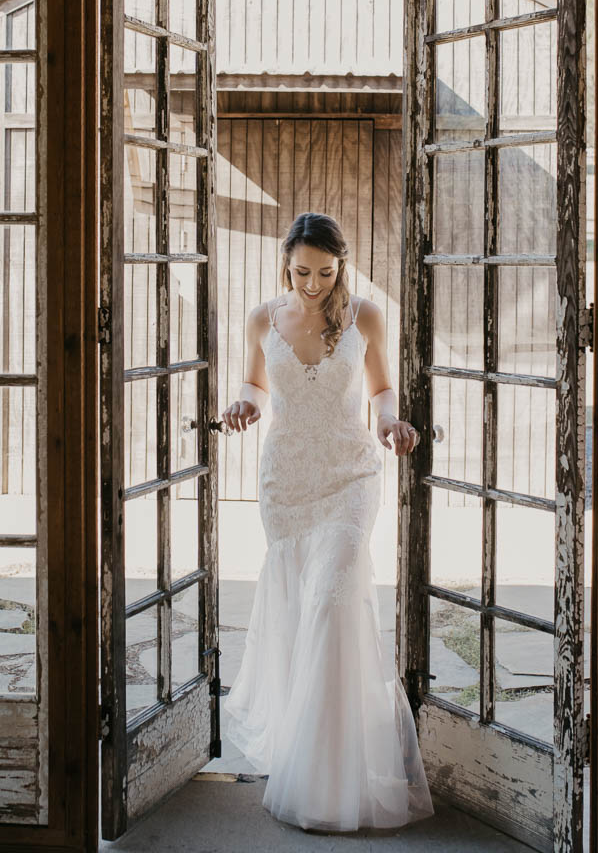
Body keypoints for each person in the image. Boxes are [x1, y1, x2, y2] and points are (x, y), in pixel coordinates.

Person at [219, 211, 434, 832]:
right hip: (286, 483)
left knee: (332, 603)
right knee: (297, 611)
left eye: (325, 271)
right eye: (302, 270)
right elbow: (255, 385)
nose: (313, 283)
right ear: (286, 261)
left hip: (349, 476)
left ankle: (336, 775)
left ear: (342, 265)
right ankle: (302, 757)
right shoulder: (263, 317)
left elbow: (382, 389)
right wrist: (243, 403)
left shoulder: (364, 314)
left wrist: (391, 422)